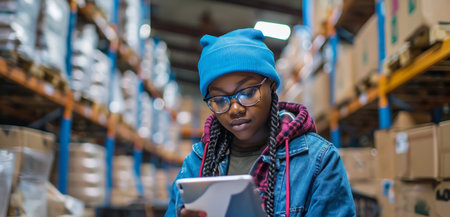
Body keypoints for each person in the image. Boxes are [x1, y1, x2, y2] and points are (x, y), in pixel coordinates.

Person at [164, 28, 355, 217]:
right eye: (220, 100)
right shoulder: (195, 164)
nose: (235, 109)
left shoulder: (317, 161)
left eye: (247, 93)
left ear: (271, 86)